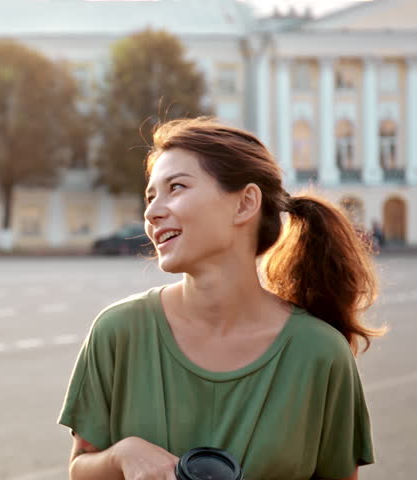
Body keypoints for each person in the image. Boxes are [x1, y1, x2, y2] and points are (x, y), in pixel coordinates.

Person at [59, 117, 383, 480]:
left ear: (245, 204)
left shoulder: (322, 353)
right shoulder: (117, 333)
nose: (151, 212)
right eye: (150, 196)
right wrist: (123, 455)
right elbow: (80, 468)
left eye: (176, 187)